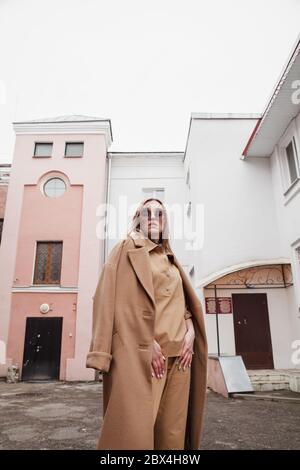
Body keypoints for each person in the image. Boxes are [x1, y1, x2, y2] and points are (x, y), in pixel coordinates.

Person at [86, 197, 208, 450]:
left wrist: (191, 332)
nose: (153, 217)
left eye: (160, 213)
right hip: (146, 356)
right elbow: (108, 299)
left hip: (180, 357)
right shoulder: (125, 249)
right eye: (146, 212)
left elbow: (182, 304)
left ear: (165, 222)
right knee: (133, 436)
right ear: (137, 219)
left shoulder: (171, 258)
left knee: (172, 435)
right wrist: (146, 342)